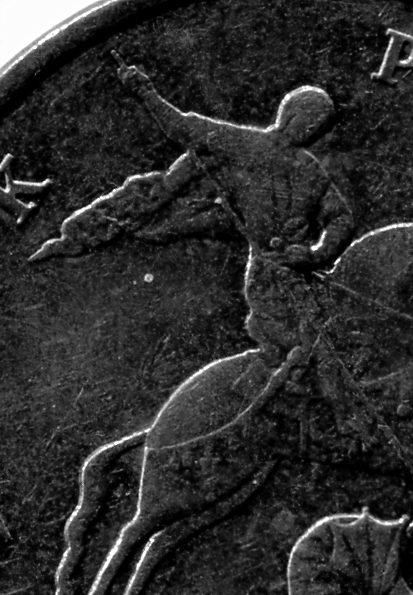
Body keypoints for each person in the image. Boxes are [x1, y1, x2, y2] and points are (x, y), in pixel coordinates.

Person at [32, 55, 355, 366]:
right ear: (292, 116)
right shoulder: (242, 143)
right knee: (293, 342)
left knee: (331, 334)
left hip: (300, 274)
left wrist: (316, 254)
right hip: (267, 276)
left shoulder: (310, 170)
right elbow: (181, 127)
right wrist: (145, 91)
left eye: (321, 125)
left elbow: (340, 217)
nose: (314, 130)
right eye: (313, 121)